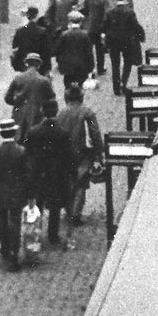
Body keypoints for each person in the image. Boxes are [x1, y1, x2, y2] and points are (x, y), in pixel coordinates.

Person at [0, 119, 32, 271]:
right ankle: (14, 256)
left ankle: (4, 249)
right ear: (15, 132)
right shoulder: (21, 151)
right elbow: (27, 175)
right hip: (17, 194)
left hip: (0, 195)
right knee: (15, 224)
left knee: (2, 222)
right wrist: (30, 195)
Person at [24, 98, 75, 245]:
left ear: (42, 111)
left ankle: (37, 232)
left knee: (38, 202)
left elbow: (27, 152)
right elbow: (69, 155)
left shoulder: (33, 131)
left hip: (38, 173)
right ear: (56, 111)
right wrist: (72, 172)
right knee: (55, 205)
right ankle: (53, 235)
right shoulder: (63, 132)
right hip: (57, 174)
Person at [56, 84, 103, 226]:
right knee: (81, 182)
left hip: (64, 153)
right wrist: (98, 153)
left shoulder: (60, 113)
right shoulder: (87, 112)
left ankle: (69, 210)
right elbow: (95, 134)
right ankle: (75, 214)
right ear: (81, 97)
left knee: (68, 181)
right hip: (82, 152)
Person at [102, 0, 146, 95]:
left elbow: (104, 27)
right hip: (127, 41)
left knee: (115, 65)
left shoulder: (110, 12)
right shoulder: (129, 12)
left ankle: (116, 88)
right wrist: (142, 36)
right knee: (127, 63)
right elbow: (135, 26)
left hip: (113, 42)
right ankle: (123, 83)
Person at [4, 53, 56, 142]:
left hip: (19, 112)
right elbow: (51, 98)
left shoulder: (18, 78)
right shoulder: (44, 81)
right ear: (39, 65)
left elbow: (7, 98)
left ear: (26, 64)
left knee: (18, 138)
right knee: (34, 139)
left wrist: (17, 102)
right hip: (37, 113)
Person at [80, 0, 114, 75]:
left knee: (89, 49)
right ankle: (100, 68)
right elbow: (107, 13)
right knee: (100, 49)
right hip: (100, 27)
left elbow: (83, 9)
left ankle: (89, 68)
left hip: (89, 26)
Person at [54, 11, 94, 89]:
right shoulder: (85, 35)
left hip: (68, 66)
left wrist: (59, 62)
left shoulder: (64, 34)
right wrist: (91, 67)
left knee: (68, 86)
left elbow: (57, 50)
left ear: (70, 21)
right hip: (82, 66)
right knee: (80, 87)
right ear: (80, 22)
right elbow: (89, 52)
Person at [11, 6, 49, 74]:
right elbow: (46, 51)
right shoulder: (43, 31)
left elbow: (15, 48)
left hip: (24, 64)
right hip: (39, 64)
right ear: (36, 16)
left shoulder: (20, 31)